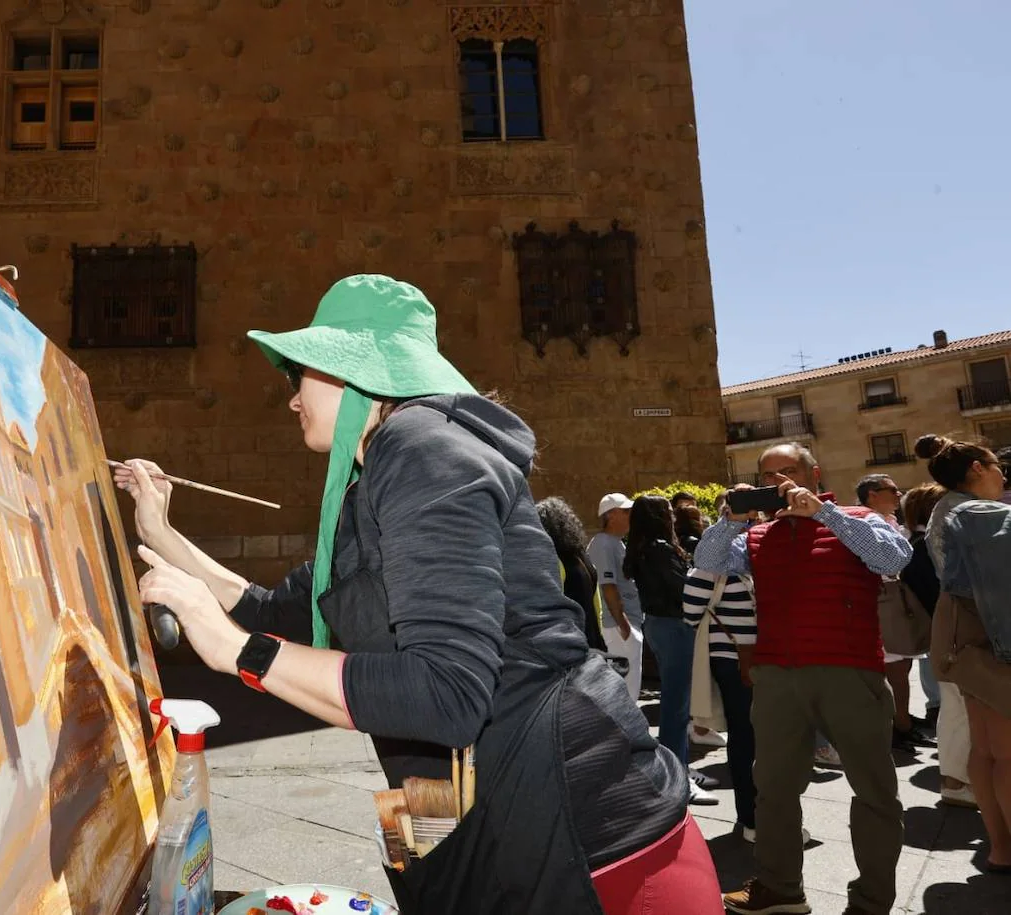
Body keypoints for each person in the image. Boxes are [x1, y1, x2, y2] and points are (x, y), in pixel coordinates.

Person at [119, 275, 722, 913]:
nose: (291, 399)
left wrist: (242, 653)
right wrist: (160, 528)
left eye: (298, 376)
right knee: (425, 886)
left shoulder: (421, 449)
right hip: (441, 784)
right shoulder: (372, 481)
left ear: (355, 374)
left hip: (578, 827)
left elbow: (447, 694)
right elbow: (273, 610)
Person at [696, 442, 912, 915]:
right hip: (777, 675)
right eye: (768, 477)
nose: (780, 483)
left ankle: (872, 901)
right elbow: (707, 561)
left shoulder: (857, 517)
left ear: (815, 474)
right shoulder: (755, 535)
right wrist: (729, 517)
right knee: (771, 787)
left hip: (849, 671)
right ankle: (780, 888)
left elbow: (893, 559)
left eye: (789, 471)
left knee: (874, 790)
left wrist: (825, 517)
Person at [919, 434, 1011, 871]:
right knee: (1005, 752)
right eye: (996, 465)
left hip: (961, 634)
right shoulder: (978, 514)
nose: (1001, 474)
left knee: (987, 749)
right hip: (991, 638)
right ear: (977, 468)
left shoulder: (944, 511)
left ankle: (1000, 847)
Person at [624, 495, 717, 806]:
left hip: (659, 625)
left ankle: (679, 769)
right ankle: (676, 775)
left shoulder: (642, 548)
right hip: (674, 626)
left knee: (675, 702)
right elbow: (684, 589)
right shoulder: (661, 549)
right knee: (677, 705)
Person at [900, 481, 975, 808]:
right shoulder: (924, 549)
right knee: (960, 711)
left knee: (955, 710)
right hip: (955, 637)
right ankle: (957, 781)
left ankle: (957, 779)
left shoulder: (919, 546)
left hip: (946, 636)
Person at [682, 558, 758, 838]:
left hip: (754, 659)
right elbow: (690, 611)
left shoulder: (749, 556)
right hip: (734, 660)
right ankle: (751, 819)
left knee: (752, 733)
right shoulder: (713, 562)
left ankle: (753, 816)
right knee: (746, 733)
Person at [856, 474, 931, 749]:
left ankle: (901, 719)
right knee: (895, 667)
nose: (898, 494)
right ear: (872, 494)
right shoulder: (864, 522)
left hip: (894, 600)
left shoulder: (889, 522)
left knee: (903, 662)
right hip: (882, 601)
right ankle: (898, 725)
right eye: (892, 489)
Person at [588, 493, 646, 700]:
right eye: (626, 511)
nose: (631, 515)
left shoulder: (614, 542)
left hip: (624, 624)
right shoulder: (603, 543)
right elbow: (608, 585)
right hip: (618, 626)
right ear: (611, 515)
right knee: (625, 691)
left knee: (629, 688)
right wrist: (623, 624)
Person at [536, 496, 609, 653]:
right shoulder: (583, 558)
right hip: (592, 638)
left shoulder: (554, 561)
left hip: (571, 644)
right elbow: (597, 602)